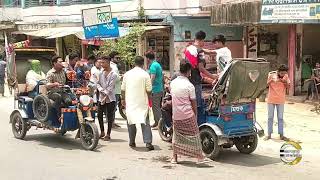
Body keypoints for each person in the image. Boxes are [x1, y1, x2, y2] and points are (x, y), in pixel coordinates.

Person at [170, 59, 204, 164]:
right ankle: (199, 157)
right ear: (189, 71)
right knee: (195, 135)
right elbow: (194, 103)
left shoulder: (173, 83)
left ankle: (174, 158)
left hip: (176, 115)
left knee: (176, 136)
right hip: (187, 115)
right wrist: (195, 115)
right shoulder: (190, 86)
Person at [121, 56, 154, 151]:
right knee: (145, 121)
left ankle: (132, 141)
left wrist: (123, 99)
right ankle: (148, 142)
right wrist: (149, 98)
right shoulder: (145, 74)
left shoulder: (127, 74)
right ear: (142, 64)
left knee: (130, 121)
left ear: (134, 63)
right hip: (142, 102)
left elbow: (123, 89)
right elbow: (149, 89)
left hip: (130, 102)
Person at [184, 30, 218, 120]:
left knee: (189, 103)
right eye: (204, 41)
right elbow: (201, 68)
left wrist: (215, 51)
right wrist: (213, 76)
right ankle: (197, 124)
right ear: (202, 40)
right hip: (195, 81)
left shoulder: (189, 48)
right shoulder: (200, 51)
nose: (204, 43)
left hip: (186, 79)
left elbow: (205, 51)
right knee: (197, 105)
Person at [264, 64, 290, 141]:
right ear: (278, 71)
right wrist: (271, 80)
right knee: (270, 117)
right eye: (282, 73)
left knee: (280, 118)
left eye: (284, 73)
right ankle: (269, 134)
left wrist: (284, 81)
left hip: (281, 100)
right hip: (271, 99)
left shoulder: (286, 76)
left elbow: (288, 87)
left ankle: (281, 135)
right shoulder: (272, 75)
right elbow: (266, 85)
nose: (283, 75)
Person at [96, 55, 118, 141]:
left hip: (110, 98)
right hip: (101, 96)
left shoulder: (114, 74)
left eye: (103, 62)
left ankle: (108, 134)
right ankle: (102, 131)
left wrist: (105, 95)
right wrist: (101, 91)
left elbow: (110, 87)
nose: (101, 64)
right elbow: (97, 83)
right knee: (99, 115)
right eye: (100, 62)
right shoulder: (100, 72)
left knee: (109, 116)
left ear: (108, 63)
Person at [146, 50, 163, 128]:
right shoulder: (157, 64)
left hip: (155, 90)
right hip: (159, 89)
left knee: (156, 108)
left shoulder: (153, 66)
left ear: (148, 59)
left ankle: (160, 125)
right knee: (155, 107)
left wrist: (148, 88)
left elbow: (152, 78)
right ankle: (156, 122)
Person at [109, 51, 121, 128]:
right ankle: (111, 122)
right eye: (117, 58)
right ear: (112, 58)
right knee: (112, 107)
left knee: (114, 107)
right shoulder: (112, 66)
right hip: (114, 89)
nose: (118, 59)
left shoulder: (114, 66)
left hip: (116, 89)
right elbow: (113, 78)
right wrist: (120, 77)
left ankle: (112, 121)